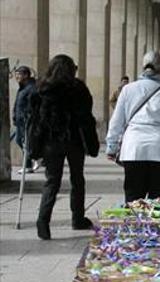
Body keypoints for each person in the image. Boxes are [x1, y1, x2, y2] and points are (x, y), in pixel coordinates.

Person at [27, 54, 100, 240]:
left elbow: (37, 121)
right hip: (74, 141)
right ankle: (77, 218)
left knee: (52, 181)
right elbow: (86, 119)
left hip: (52, 142)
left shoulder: (42, 89)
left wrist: (34, 146)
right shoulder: (78, 89)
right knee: (77, 179)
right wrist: (91, 142)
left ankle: (43, 222)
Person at [106, 51, 160, 202]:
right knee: (158, 198)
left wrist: (112, 146)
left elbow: (117, 120)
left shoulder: (128, 90)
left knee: (133, 196)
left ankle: (132, 224)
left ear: (143, 67)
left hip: (133, 147)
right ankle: (156, 225)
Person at [12, 66, 37, 172]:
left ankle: (28, 164)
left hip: (26, 121)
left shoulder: (31, 88)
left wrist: (27, 117)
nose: (17, 76)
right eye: (16, 74)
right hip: (20, 121)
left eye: (19, 74)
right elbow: (18, 103)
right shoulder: (22, 87)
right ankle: (32, 160)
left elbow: (32, 105)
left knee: (25, 142)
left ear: (26, 75)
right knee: (19, 140)